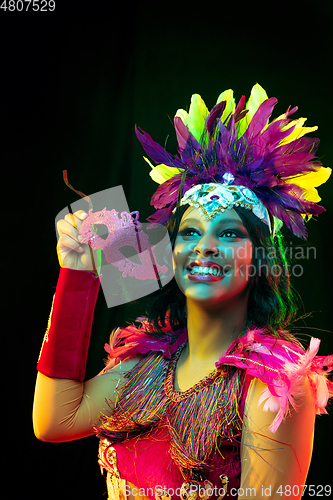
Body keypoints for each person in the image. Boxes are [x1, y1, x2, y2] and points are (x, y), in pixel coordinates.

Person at [33, 84, 333, 500]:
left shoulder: (274, 387)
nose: (204, 246)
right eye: (190, 232)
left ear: (260, 258)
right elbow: (54, 420)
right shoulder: (145, 366)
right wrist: (78, 273)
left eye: (228, 232)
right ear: (170, 253)